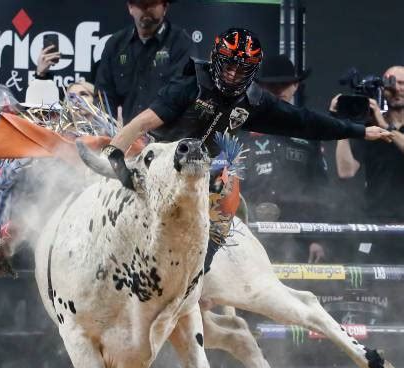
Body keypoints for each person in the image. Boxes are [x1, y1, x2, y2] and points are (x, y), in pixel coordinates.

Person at [101, 28, 391, 273]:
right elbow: (142, 122)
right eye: (228, 64)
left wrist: (360, 130)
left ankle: (200, 271)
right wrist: (114, 154)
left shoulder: (255, 101)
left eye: (241, 68)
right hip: (163, 161)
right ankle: (114, 256)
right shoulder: (189, 86)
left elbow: (307, 123)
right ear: (216, 59)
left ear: (252, 71)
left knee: (230, 198)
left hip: (205, 172)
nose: (232, 73)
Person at [242, 54, 329, 263]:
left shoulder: (309, 129)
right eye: (272, 85)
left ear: (295, 86)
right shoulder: (241, 126)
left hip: (298, 231)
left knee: (297, 290)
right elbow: (228, 182)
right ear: (261, 87)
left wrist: (317, 238)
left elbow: (319, 187)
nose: (279, 90)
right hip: (249, 230)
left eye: (285, 84)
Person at [334, 65, 404, 262]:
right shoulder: (371, 129)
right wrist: (344, 125)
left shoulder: (380, 126)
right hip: (377, 222)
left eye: (402, 83)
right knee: (369, 281)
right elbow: (346, 171)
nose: (397, 89)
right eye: (391, 84)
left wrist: (385, 126)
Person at [94, 0, 193, 123]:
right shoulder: (115, 44)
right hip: (126, 135)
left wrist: (143, 126)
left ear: (165, 7)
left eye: (152, 4)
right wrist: (108, 129)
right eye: (140, 4)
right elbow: (104, 95)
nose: (146, 9)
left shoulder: (181, 43)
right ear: (130, 7)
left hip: (167, 136)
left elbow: (179, 94)